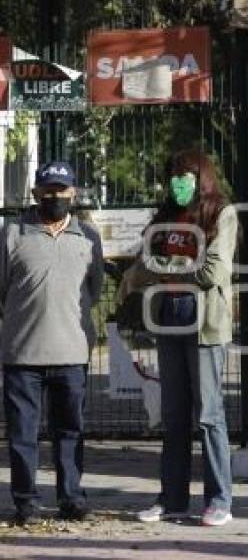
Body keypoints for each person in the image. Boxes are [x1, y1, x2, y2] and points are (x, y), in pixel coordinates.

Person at [135, 149, 238, 527]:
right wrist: (167, 271)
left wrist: (166, 268)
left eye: (186, 175)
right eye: (174, 175)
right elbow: (143, 260)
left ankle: (219, 500)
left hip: (204, 320)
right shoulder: (164, 216)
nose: (179, 182)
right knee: (174, 415)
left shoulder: (222, 213)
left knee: (209, 415)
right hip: (168, 317)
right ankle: (173, 499)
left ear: (202, 176)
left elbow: (214, 271)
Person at [0, 161, 103, 525]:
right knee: (22, 434)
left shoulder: (88, 237)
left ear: (73, 193)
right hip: (22, 353)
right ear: (35, 194)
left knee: (70, 431)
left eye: (61, 190)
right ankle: (25, 502)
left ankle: (72, 498)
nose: (55, 197)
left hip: (71, 353)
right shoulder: (12, 233)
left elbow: (94, 288)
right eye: (48, 191)